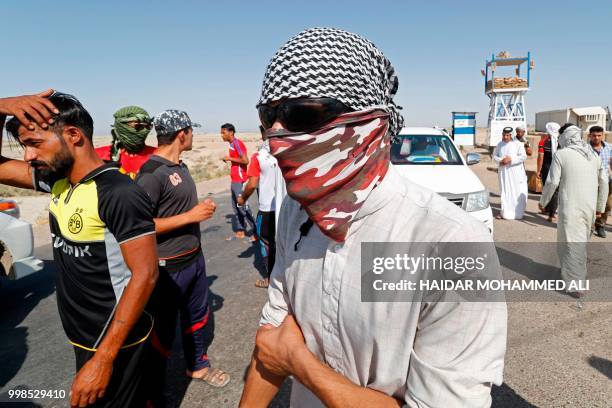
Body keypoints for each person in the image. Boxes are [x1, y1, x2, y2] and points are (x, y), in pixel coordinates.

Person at [240, 27, 506, 407]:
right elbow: (271, 342)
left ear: (372, 121)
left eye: (303, 114)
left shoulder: (452, 243)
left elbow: (283, 353)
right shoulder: (294, 212)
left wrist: (298, 362)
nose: (277, 136)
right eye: (268, 117)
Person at [0, 91, 158, 407]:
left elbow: (146, 276)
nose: (28, 156)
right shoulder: (57, 180)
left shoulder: (118, 192)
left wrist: (103, 359)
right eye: (24, 147)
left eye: (34, 143)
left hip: (114, 341)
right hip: (84, 336)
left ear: (73, 135)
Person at [135, 110, 230, 397]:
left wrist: (195, 213)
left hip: (194, 259)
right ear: (182, 134)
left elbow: (177, 210)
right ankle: (154, 392)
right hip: (167, 268)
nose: (193, 135)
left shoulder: (181, 167)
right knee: (162, 331)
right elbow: (141, 227)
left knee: (197, 317)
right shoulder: (151, 174)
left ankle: (198, 366)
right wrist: (192, 215)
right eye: (191, 131)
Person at [539, 125, 608, 297]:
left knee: (570, 245)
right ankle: (576, 277)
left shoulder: (561, 155)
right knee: (580, 245)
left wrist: (543, 201)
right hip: (589, 209)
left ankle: (576, 285)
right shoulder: (593, 155)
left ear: (565, 137)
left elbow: (552, 182)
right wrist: (600, 208)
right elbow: (604, 183)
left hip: (571, 209)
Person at [237, 126, 287, 288]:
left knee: (266, 243)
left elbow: (252, 184)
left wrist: (243, 198)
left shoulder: (259, 156)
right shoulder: (286, 151)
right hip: (286, 207)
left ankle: (271, 279)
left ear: (262, 133)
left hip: (267, 209)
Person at [95, 106, 156, 179]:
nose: (144, 131)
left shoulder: (158, 156)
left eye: (147, 127)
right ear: (121, 127)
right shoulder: (99, 156)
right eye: (137, 126)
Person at [220, 123, 256, 240]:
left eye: (223, 132)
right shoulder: (231, 144)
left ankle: (256, 231)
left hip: (240, 180)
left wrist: (229, 158)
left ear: (231, 132)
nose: (221, 135)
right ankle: (241, 230)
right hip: (234, 179)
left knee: (242, 205)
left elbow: (245, 160)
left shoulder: (237, 143)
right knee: (235, 206)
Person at [493, 127, 528, 220]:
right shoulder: (499, 144)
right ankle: (505, 212)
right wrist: (501, 161)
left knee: (516, 191)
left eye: (507, 135)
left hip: (515, 173)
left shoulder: (518, 144)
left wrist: (511, 160)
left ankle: (518, 213)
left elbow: (523, 157)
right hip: (503, 173)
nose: (505, 137)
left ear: (511, 135)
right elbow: (494, 156)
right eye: (504, 135)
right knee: (505, 191)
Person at [589, 125, 612, 237]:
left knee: (607, 205)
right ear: (589, 136)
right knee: (589, 204)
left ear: (603, 135)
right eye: (594, 135)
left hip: (606, 181)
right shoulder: (585, 148)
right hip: (589, 182)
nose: (597, 138)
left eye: (599, 135)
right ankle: (589, 226)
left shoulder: (609, 147)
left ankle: (600, 225)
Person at [537, 122, 560, 221]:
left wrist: (538, 170)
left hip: (546, 169)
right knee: (555, 190)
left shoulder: (543, 142)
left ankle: (550, 213)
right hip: (558, 169)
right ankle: (551, 211)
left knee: (547, 189)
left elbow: (540, 157)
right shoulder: (561, 142)